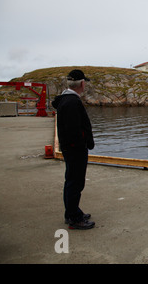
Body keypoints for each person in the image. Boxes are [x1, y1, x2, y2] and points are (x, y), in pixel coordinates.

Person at [52, 69, 95, 230]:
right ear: (82, 84)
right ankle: (73, 217)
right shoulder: (72, 102)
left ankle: (73, 211)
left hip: (71, 149)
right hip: (75, 149)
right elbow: (74, 129)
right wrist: (83, 144)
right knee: (75, 182)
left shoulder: (66, 100)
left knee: (73, 181)